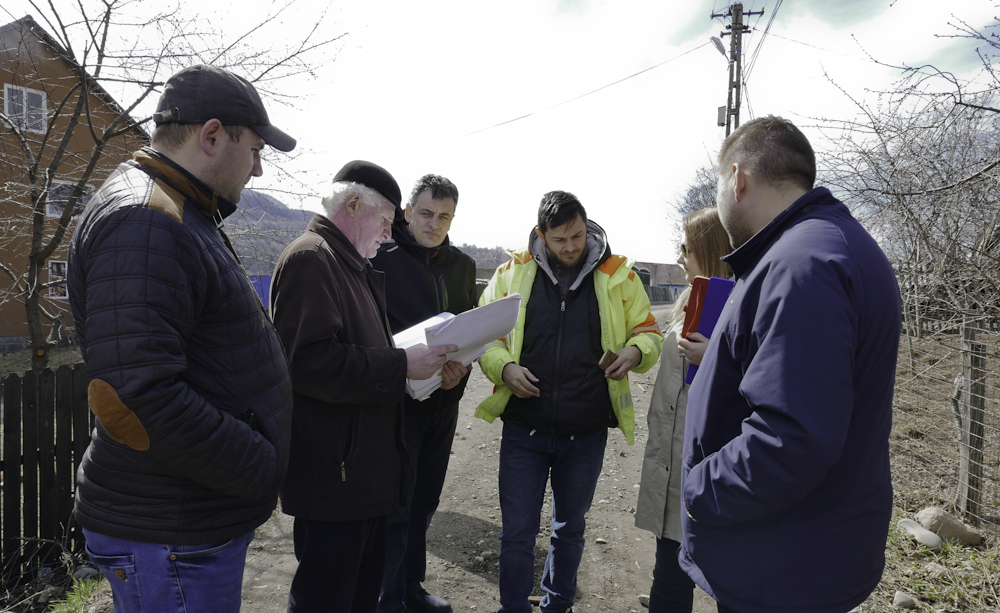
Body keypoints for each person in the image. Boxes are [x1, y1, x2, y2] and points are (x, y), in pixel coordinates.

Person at [66, 64, 297, 613]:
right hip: (170, 536)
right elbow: (136, 397)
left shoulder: (176, 208)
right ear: (213, 135)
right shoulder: (146, 221)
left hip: (180, 524)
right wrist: (260, 464)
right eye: (257, 148)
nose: (260, 169)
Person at [679, 116, 902, 613]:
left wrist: (698, 488)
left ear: (737, 179)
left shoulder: (801, 265)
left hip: (782, 566)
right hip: (800, 551)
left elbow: (789, 442)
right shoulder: (827, 247)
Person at [270, 160, 458, 613]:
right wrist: (401, 366)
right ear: (354, 203)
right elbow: (308, 364)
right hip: (335, 481)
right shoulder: (311, 259)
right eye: (387, 221)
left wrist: (419, 369)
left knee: (358, 598)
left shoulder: (349, 263)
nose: (390, 235)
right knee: (326, 598)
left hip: (362, 481)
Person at [476, 191, 663, 613]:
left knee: (570, 529)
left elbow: (650, 332)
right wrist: (505, 368)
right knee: (517, 532)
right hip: (525, 427)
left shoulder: (620, 275)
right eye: (560, 240)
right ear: (542, 236)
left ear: (586, 226)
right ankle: (513, 608)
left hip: (586, 431)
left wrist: (635, 352)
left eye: (577, 236)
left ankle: (557, 606)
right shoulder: (511, 272)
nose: (571, 247)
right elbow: (485, 335)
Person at [372, 175, 477, 613]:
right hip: (396, 405)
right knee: (395, 504)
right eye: (427, 213)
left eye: (445, 216)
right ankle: (387, 597)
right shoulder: (380, 257)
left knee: (426, 499)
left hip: (443, 402)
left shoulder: (463, 266)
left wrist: (460, 373)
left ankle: (411, 587)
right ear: (408, 211)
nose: (435, 224)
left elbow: (471, 331)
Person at [635, 207, 732, 613]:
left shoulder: (742, 308)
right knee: (669, 573)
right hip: (673, 464)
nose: (679, 256)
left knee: (726, 581)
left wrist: (718, 358)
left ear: (709, 251)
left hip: (709, 471)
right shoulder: (691, 299)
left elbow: (765, 385)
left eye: (686, 247)